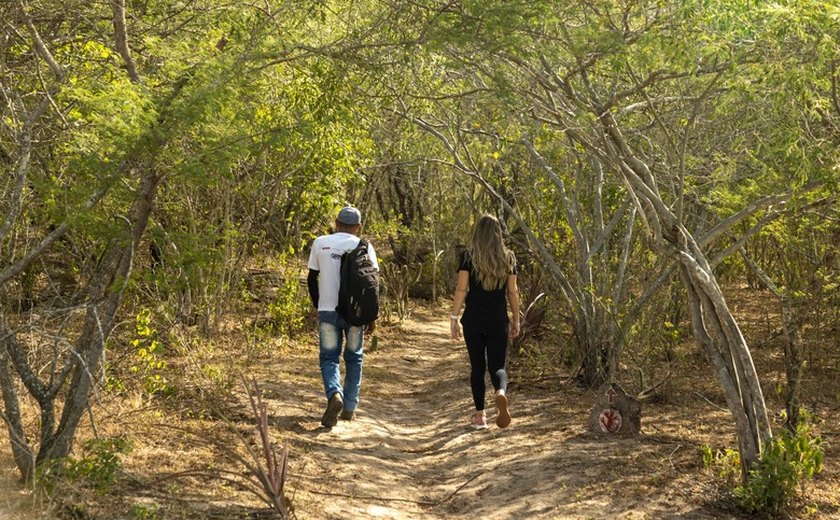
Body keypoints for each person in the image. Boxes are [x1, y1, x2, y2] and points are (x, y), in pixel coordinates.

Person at [307, 206, 378, 427]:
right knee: (354, 357)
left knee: (329, 358)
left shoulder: (320, 242)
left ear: (336, 223)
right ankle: (349, 408)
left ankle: (333, 394)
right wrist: (372, 316)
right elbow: (373, 285)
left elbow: (312, 278)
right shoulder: (363, 245)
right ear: (358, 227)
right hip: (356, 313)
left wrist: (318, 305)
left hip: (328, 311)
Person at [450, 214, 520, 429]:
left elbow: (462, 289)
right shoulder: (509, 258)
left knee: (477, 367)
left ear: (477, 233)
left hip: (473, 320)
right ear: (498, 234)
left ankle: (480, 416)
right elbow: (513, 291)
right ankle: (500, 392)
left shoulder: (468, 257)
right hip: (498, 319)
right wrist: (516, 319)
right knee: (498, 365)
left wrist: (454, 317)